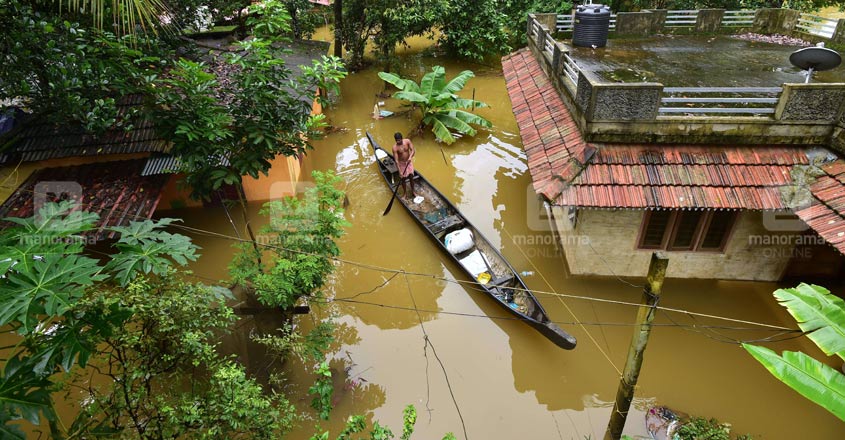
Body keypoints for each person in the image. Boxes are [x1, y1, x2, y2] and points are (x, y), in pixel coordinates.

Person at [392, 132, 416, 198]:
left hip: (408, 162)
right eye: (397, 140)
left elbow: (413, 150)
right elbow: (396, 161)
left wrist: (410, 157)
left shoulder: (407, 141)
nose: (398, 141)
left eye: (399, 140)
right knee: (403, 179)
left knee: (411, 176)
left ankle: (413, 191)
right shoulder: (395, 148)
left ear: (402, 138)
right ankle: (405, 193)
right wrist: (400, 172)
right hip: (401, 163)